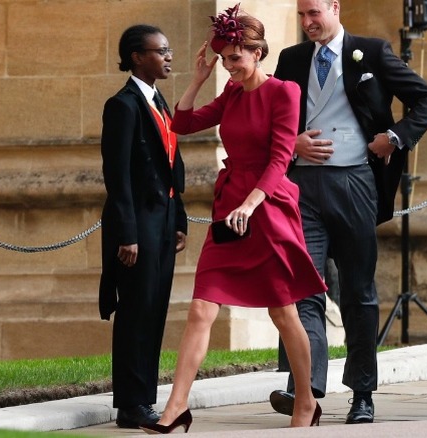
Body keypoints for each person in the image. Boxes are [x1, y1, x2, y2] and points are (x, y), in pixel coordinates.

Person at [139, 4, 327, 433]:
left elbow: (281, 156)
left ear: (257, 53)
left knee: (284, 313)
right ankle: (176, 408)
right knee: (201, 308)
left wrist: (251, 204)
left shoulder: (284, 92)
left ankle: (305, 401)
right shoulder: (230, 95)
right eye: (224, 59)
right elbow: (181, 124)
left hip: (269, 207)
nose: (229, 65)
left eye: (235, 58)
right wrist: (199, 80)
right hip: (230, 209)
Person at [269, 0, 427, 424]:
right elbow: (272, 117)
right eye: (301, 16)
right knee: (302, 288)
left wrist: (395, 138)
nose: (308, 23)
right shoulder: (290, 59)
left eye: (314, 13)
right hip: (302, 188)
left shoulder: (374, 51)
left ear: (334, 7)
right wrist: (292, 142)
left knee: (358, 293)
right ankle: (305, 391)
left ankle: (362, 392)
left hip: (355, 183)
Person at [98, 24, 188, 429]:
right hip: (138, 226)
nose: (168, 57)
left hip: (164, 222)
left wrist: (180, 219)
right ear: (137, 57)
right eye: (160, 51)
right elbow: (117, 176)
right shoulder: (123, 105)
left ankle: (143, 398)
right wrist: (127, 234)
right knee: (135, 311)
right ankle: (130, 403)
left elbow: (171, 166)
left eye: (168, 51)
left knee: (154, 311)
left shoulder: (159, 101)